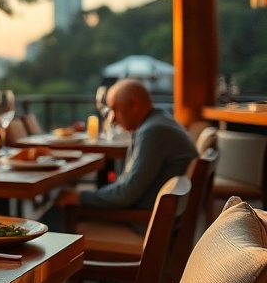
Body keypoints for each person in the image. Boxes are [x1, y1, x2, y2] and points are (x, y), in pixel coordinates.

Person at [43, 79, 197, 229]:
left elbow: (125, 195)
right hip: (152, 215)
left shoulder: (153, 131)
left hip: (144, 223)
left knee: (58, 210)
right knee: (64, 206)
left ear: (134, 105)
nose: (112, 118)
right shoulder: (160, 122)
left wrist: (80, 197)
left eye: (115, 109)